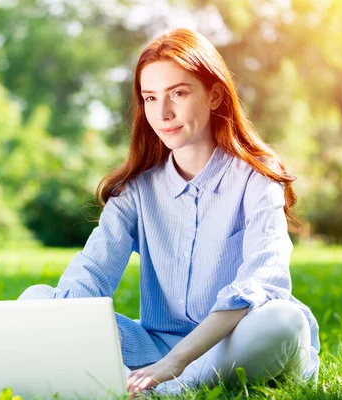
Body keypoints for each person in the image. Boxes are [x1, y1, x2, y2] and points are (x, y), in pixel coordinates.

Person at [17, 28, 320, 397]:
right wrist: (57, 322)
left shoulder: (256, 176)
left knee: (282, 319)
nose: (162, 113)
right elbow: (92, 271)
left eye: (178, 93)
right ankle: (126, 381)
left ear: (214, 95)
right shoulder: (137, 189)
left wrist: (176, 363)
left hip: (233, 339)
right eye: (150, 97)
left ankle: (163, 389)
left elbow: (263, 282)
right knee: (39, 300)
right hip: (154, 345)